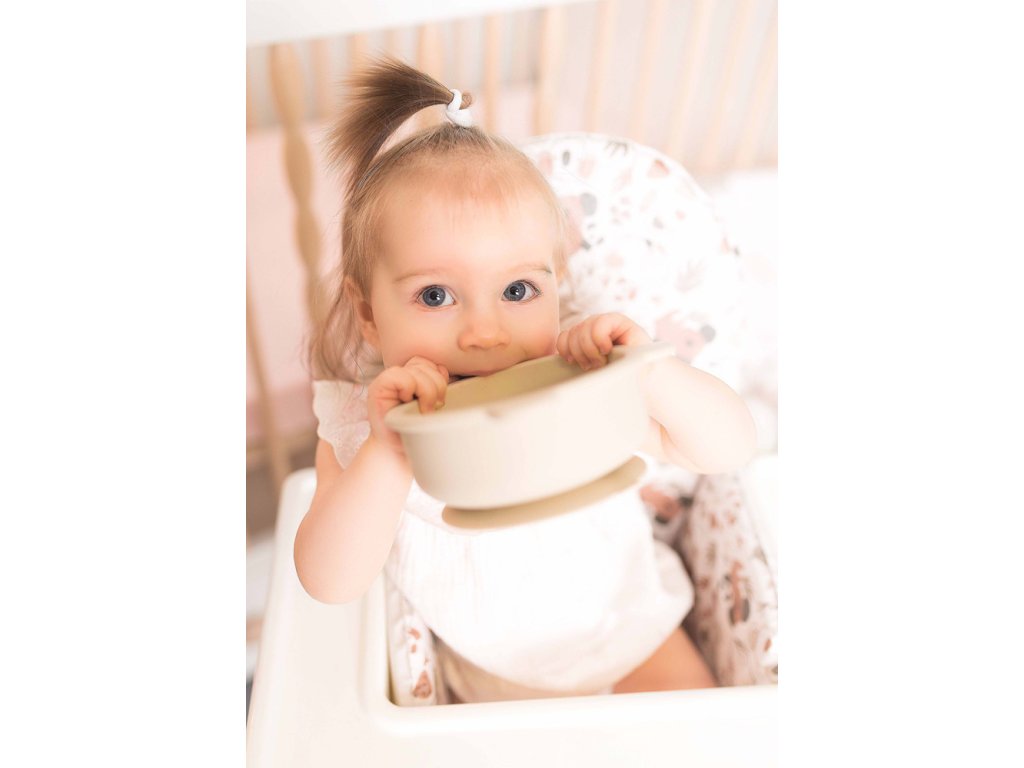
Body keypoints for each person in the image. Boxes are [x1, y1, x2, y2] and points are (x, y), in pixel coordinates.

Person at [294, 57, 757, 702]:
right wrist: (389, 453)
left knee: (706, 733)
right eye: (435, 296)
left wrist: (647, 371)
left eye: (516, 290)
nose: (485, 332)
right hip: (495, 671)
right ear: (368, 313)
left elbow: (730, 449)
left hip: (635, 632)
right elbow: (330, 582)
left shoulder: (578, 386)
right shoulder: (362, 426)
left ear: (556, 285)